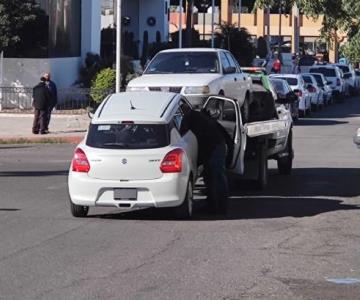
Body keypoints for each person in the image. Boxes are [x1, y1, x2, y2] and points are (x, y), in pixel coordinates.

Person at [180, 106, 233, 214]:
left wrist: (196, 163)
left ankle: (220, 207)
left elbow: (191, 139)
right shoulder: (199, 117)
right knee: (210, 176)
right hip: (215, 145)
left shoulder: (192, 120)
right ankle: (214, 205)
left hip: (215, 146)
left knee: (216, 176)